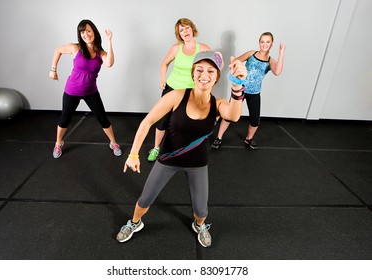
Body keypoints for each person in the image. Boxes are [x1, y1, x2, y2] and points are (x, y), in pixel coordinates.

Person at [116, 51, 247, 247]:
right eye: (200, 70)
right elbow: (147, 121)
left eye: (211, 71)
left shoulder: (218, 104)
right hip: (168, 159)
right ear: (193, 73)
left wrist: (237, 86)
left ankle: (199, 225)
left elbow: (234, 116)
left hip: (197, 163)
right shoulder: (177, 96)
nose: (204, 75)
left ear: (217, 77)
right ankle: (134, 223)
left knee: (201, 211)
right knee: (145, 200)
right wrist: (133, 153)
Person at [49, 19, 121, 158]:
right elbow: (58, 50)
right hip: (72, 91)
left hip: (90, 91)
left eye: (88, 31)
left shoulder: (101, 53)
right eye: (82, 32)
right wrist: (53, 69)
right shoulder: (75, 48)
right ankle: (58, 143)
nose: (86, 34)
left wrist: (110, 41)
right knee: (64, 119)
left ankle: (113, 142)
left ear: (94, 32)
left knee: (102, 118)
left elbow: (110, 63)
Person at [147, 18, 210, 162]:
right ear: (179, 34)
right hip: (172, 88)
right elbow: (164, 63)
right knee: (163, 120)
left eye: (187, 28)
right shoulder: (176, 48)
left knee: (187, 121)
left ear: (192, 29)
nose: (185, 32)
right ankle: (156, 148)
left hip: (191, 91)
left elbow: (213, 65)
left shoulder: (204, 48)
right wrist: (163, 79)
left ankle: (186, 149)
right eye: (181, 30)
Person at [211, 32, 285, 150]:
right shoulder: (252, 53)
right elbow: (235, 62)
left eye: (267, 42)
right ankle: (219, 137)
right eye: (262, 41)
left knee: (255, 120)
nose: (264, 44)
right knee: (229, 115)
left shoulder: (270, 61)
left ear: (271, 44)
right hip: (240, 90)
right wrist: (236, 71)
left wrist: (281, 53)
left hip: (254, 93)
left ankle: (249, 139)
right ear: (259, 43)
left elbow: (277, 72)